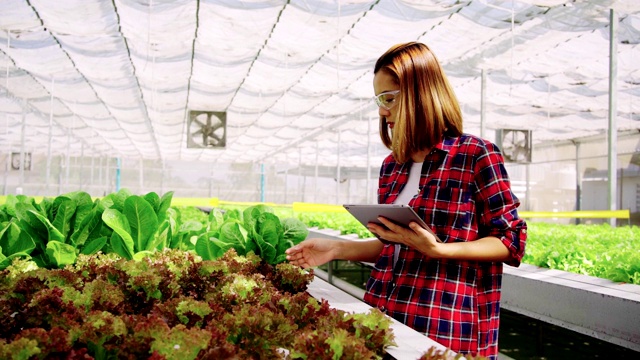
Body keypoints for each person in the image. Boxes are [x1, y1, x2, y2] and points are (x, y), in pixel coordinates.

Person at [285, 41, 527, 359]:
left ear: (420, 94)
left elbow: (510, 242)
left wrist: (438, 250)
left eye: (389, 98)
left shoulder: (475, 155)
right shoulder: (393, 166)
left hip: (444, 325)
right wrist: (338, 249)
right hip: (384, 315)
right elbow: (396, 245)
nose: (382, 111)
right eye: (379, 100)